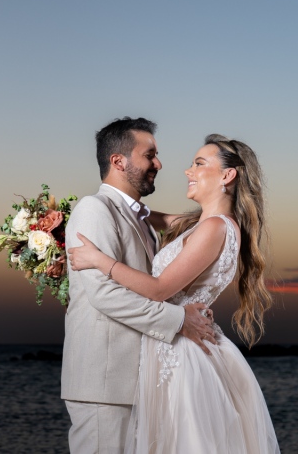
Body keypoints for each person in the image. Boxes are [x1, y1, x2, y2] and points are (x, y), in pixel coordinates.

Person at [68, 134, 280, 453]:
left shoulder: (215, 228)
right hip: (168, 347)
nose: (187, 170)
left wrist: (99, 260)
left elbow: (159, 289)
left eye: (198, 163)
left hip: (183, 352)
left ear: (227, 175)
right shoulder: (198, 224)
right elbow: (142, 215)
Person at [61, 117, 216, 453]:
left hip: (140, 380)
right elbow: (105, 295)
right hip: (104, 382)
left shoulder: (143, 221)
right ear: (119, 161)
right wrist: (179, 321)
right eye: (150, 155)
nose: (158, 164)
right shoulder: (94, 209)